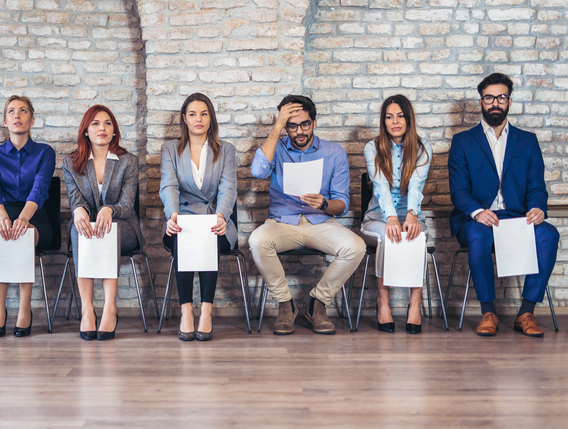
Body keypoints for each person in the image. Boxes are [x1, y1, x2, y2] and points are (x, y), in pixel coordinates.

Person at [448, 72, 559, 337]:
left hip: (516, 218)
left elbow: (536, 186)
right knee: (477, 234)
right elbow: (459, 190)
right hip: (478, 219)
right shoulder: (462, 141)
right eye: (489, 97)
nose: (495, 102)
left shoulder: (528, 141)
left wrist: (537, 208)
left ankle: (526, 312)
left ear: (509, 101)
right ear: (481, 102)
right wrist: (476, 212)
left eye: (501, 97)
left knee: (549, 235)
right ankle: (488, 312)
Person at [249, 94, 366, 335]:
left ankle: (318, 303)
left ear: (314, 123)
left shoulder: (334, 153)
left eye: (305, 124)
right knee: (257, 240)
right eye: (292, 125)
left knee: (355, 246)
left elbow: (342, 204)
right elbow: (258, 171)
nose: (299, 131)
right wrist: (276, 127)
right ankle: (285, 305)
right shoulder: (277, 147)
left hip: (320, 222)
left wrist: (324, 204)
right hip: (282, 222)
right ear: (285, 126)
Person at [160, 92, 238, 342]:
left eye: (204, 114)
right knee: (184, 240)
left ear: (211, 118)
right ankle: (186, 312)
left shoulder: (225, 149)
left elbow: (229, 188)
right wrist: (172, 215)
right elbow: (168, 185)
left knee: (209, 238)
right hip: (181, 219)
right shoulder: (170, 149)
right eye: (192, 114)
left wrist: (222, 216)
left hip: (216, 220)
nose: (198, 119)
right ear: (184, 119)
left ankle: (206, 310)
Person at [63, 105, 143, 341]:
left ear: (115, 131)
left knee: (110, 230)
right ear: (86, 130)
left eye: (108, 123)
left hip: (123, 226)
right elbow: (75, 198)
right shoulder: (71, 162)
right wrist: (78, 211)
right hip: (87, 226)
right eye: (96, 123)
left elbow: (128, 206)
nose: (102, 128)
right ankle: (87, 309)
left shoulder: (128, 161)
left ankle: (110, 308)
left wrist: (108, 210)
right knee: (80, 230)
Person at [0, 95, 56, 337]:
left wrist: (24, 219)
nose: (17, 115)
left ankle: (25, 308)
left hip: (35, 215)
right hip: (2, 212)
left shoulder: (45, 152)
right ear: (5, 120)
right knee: (0, 235)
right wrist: (3, 218)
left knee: (25, 235)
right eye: (11, 111)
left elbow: (40, 187)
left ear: (31, 119)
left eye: (23, 111)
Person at [360, 95, 432, 334]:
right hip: (378, 217)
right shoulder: (372, 147)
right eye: (389, 117)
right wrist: (392, 218)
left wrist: (411, 214)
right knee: (388, 236)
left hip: (410, 214)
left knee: (415, 236)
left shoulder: (423, 148)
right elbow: (380, 186)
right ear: (383, 121)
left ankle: (415, 303)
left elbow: (416, 186)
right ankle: (383, 302)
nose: (395, 122)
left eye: (400, 116)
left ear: (409, 119)